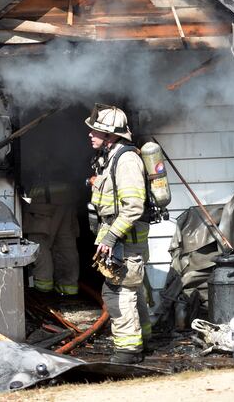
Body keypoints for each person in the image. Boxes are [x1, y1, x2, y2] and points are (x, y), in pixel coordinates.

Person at [86, 103, 151, 364]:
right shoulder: (111, 158)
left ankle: (128, 350)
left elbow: (133, 206)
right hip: (121, 239)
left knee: (117, 291)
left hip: (125, 241)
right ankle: (143, 338)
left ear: (110, 135)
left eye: (95, 131)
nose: (90, 134)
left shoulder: (126, 160)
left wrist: (111, 237)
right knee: (132, 290)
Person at [22, 180, 80, 296]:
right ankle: (68, 286)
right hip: (66, 200)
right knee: (65, 243)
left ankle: (43, 284)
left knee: (39, 243)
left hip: (41, 203)